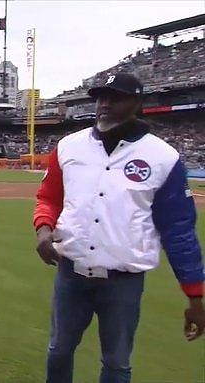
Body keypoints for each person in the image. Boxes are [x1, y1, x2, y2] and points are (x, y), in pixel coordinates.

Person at [33, 72, 205, 383]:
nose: (104, 104)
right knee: (58, 351)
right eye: (101, 97)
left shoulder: (163, 158)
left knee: (116, 364)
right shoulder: (69, 147)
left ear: (137, 103)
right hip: (71, 274)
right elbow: (48, 198)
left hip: (123, 282)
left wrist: (194, 295)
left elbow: (179, 230)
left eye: (115, 97)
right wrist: (44, 229)